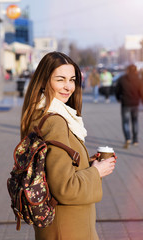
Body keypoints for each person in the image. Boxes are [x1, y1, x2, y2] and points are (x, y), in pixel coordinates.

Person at [21, 51, 116, 240]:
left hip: (58, 226)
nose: (68, 86)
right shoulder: (55, 122)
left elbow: (51, 171)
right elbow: (65, 188)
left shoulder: (38, 115)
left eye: (72, 79)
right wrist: (96, 172)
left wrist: (87, 164)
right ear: (44, 81)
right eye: (60, 79)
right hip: (69, 228)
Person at [115, 64, 143, 149]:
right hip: (135, 104)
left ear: (127, 70)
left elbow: (117, 90)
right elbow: (141, 92)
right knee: (135, 121)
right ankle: (135, 140)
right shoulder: (139, 80)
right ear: (135, 70)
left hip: (125, 104)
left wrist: (118, 98)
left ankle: (128, 138)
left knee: (125, 122)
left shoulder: (122, 79)